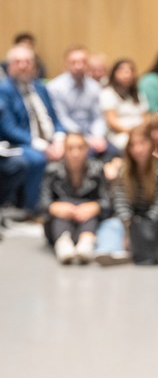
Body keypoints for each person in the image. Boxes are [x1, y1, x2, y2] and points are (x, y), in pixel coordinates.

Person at [0, 44, 65, 214]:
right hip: (20, 143)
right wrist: (43, 146)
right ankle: (31, 209)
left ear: (34, 66)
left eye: (27, 61)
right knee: (37, 159)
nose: (23, 66)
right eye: (18, 62)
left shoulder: (40, 88)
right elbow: (9, 129)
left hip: (50, 141)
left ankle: (65, 203)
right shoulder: (4, 90)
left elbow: (55, 119)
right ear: (9, 66)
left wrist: (59, 139)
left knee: (78, 150)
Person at [95, 123, 158, 266]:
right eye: (133, 145)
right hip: (130, 220)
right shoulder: (124, 169)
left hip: (154, 220)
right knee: (111, 224)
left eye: (142, 143)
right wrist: (129, 224)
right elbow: (120, 200)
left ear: (151, 144)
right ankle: (111, 251)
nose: (137, 149)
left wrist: (146, 224)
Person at [39, 132, 111, 264]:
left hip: (88, 220)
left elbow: (107, 202)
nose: (75, 153)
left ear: (87, 149)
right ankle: (63, 244)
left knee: (89, 214)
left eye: (80, 148)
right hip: (60, 220)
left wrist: (95, 207)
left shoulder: (97, 169)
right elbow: (43, 203)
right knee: (61, 214)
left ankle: (86, 243)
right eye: (70, 148)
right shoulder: (52, 170)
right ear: (64, 150)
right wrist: (54, 207)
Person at [48, 46, 112, 159]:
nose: (79, 66)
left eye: (83, 62)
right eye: (74, 62)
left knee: (114, 152)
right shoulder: (55, 87)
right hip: (68, 135)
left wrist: (98, 136)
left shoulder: (94, 86)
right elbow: (62, 119)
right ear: (66, 65)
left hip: (93, 136)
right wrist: (86, 138)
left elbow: (98, 117)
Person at [100, 58, 148, 151]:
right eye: (123, 71)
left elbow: (145, 117)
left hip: (141, 132)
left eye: (130, 71)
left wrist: (141, 131)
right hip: (120, 134)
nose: (127, 74)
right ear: (115, 73)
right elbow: (111, 120)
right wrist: (131, 132)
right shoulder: (108, 93)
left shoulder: (138, 93)